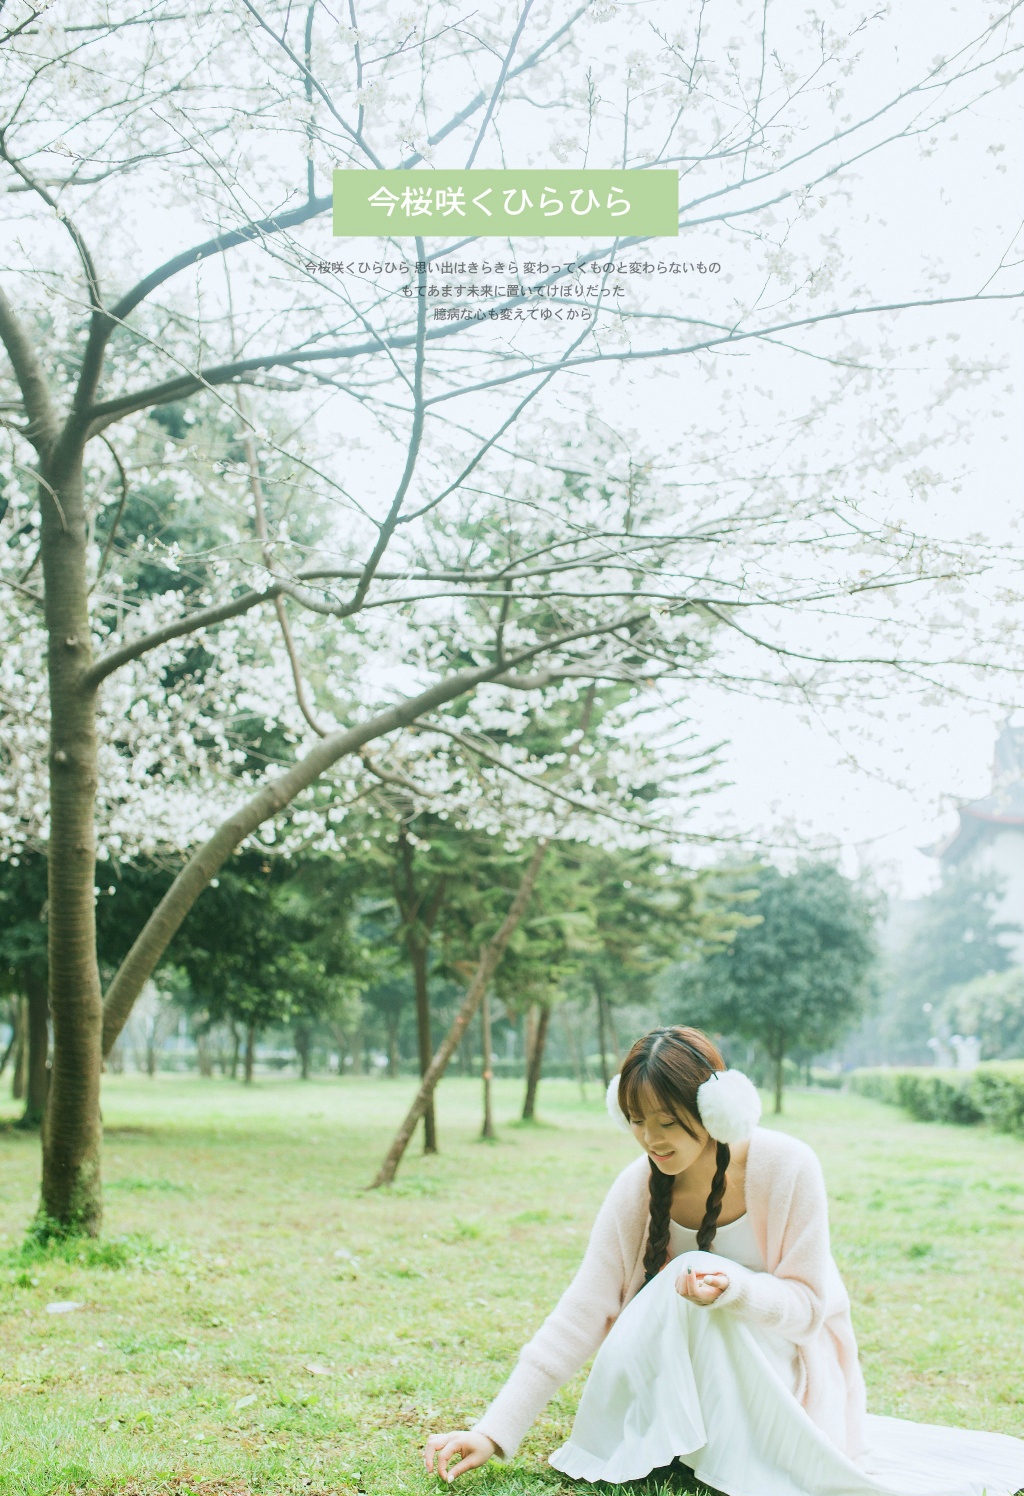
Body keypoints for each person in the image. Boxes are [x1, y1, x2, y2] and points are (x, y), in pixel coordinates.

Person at [423, 1025, 1024, 1495]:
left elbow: (812, 1309)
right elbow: (584, 1309)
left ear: (717, 1111)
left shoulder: (787, 1167)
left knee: (690, 1276)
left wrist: (735, 1288)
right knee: (678, 1282)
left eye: (667, 1121)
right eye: (635, 1121)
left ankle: (739, 1448)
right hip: (667, 1384)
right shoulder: (637, 1188)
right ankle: (681, 1441)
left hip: (774, 1369)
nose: (650, 1138)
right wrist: (494, 1430)